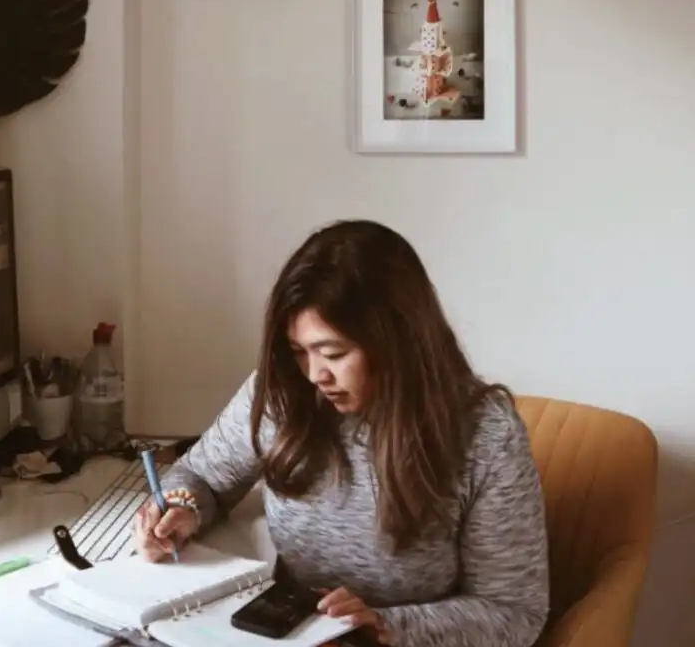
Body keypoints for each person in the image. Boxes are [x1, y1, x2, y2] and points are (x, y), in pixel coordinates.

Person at [133, 220, 549, 647]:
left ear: (398, 339)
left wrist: (384, 625)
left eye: (334, 353)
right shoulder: (281, 395)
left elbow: (514, 612)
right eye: (299, 352)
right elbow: (200, 476)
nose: (315, 375)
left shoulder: (486, 435)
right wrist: (181, 509)